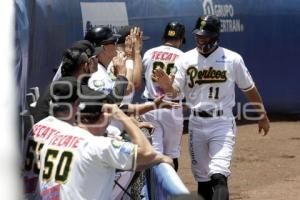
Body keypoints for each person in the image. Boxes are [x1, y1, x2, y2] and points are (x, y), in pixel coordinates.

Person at [153, 15, 270, 200]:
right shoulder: (185, 59)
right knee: (203, 180)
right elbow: (175, 92)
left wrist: (262, 115)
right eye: (198, 35)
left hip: (222, 123)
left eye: (205, 36)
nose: (201, 39)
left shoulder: (232, 59)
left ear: (215, 36)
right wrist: (168, 86)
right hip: (196, 123)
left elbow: (249, 88)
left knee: (218, 176)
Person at [37, 89, 173, 200]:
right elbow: (147, 153)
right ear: (103, 117)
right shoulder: (98, 145)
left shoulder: (56, 135)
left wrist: (156, 159)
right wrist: (121, 116)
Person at [142, 21, 186, 171]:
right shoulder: (183, 57)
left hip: (150, 107)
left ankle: (154, 193)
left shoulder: (149, 53)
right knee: (171, 156)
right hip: (172, 109)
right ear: (180, 39)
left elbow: (143, 78)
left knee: (154, 155)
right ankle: (170, 192)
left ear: (164, 37)